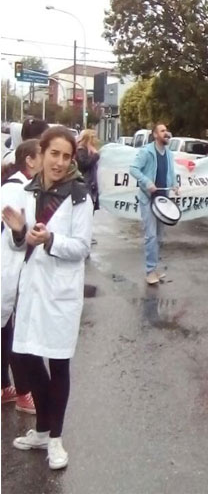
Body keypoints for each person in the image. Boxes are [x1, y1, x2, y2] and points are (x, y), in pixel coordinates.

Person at [2, 126, 93, 470]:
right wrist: (18, 233)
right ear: (40, 155)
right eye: (53, 154)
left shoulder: (80, 195)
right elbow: (19, 244)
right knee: (22, 356)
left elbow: (82, 247)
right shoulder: (27, 190)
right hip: (32, 289)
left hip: (60, 292)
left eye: (66, 156)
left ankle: (55, 437)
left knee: (58, 362)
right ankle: (41, 429)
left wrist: (50, 239)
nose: (58, 162)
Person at [1, 139, 41, 416]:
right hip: (10, 270)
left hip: (14, 270)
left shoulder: (20, 187)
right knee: (16, 332)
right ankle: (24, 392)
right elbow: (14, 238)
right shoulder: (15, 190)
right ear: (29, 160)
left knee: (6, 329)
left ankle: (5, 387)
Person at [130, 123, 178, 286]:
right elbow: (134, 169)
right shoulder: (147, 152)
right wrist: (147, 182)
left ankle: (155, 268)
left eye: (167, 131)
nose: (166, 133)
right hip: (148, 199)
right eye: (162, 131)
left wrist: (175, 185)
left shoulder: (169, 154)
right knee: (150, 236)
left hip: (162, 200)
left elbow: (171, 173)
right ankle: (150, 271)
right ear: (155, 135)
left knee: (159, 237)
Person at [76, 129, 100, 211]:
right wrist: (95, 155)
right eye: (94, 138)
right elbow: (83, 165)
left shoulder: (88, 150)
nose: (96, 141)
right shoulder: (81, 150)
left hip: (90, 185)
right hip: (85, 185)